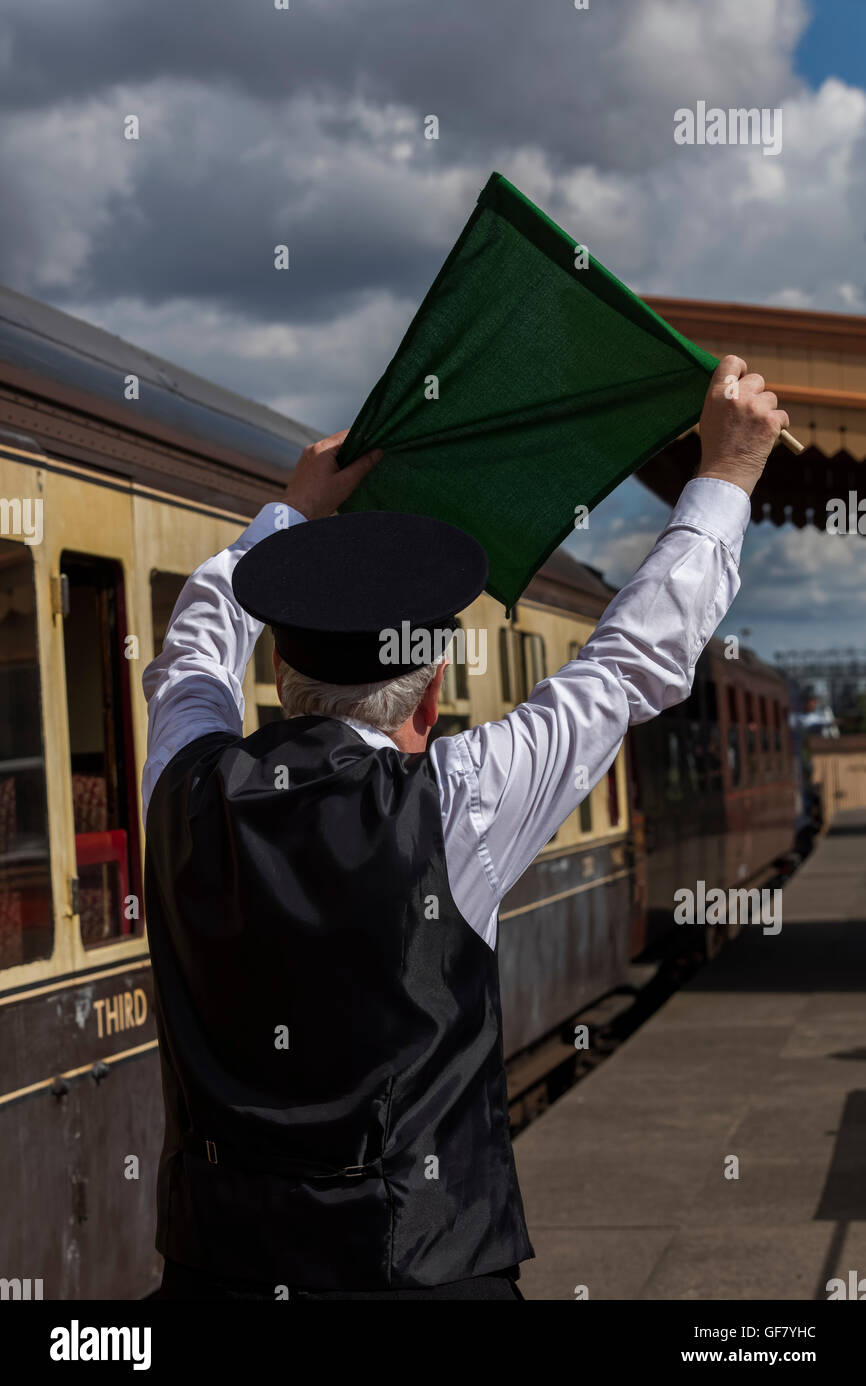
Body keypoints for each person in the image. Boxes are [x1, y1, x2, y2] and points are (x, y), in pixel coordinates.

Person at [142, 355, 787, 1300]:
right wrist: (728, 473)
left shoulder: (182, 785)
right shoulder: (457, 799)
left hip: (215, 1273)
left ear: (281, 673)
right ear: (434, 690)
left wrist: (289, 517)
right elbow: (628, 666)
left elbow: (193, 649)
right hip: (420, 1271)